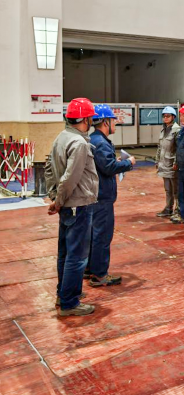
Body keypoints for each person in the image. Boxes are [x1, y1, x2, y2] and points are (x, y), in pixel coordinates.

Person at [45, 98, 99, 316]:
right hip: (78, 205)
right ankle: (69, 303)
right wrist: (58, 201)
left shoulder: (62, 137)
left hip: (68, 205)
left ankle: (63, 293)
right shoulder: (79, 143)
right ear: (85, 119)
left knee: (65, 253)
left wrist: (54, 196)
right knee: (77, 256)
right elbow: (70, 178)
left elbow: (49, 168)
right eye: (91, 118)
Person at [87, 104, 135, 287]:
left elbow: (103, 163)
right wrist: (129, 163)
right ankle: (100, 274)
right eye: (113, 120)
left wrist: (114, 161)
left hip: (94, 194)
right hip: (102, 197)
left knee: (93, 235)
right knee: (102, 236)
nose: (115, 123)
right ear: (105, 122)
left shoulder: (93, 139)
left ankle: (90, 268)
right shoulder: (101, 143)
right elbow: (108, 168)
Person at [155, 106, 181, 219]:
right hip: (164, 164)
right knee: (168, 189)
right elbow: (160, 147)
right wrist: (157, 160)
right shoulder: (163, 130)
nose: (165, 118)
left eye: (168, 116)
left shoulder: (177, 130)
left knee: (176, 189)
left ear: (173, 117)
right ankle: (168, 208)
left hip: (172, 165)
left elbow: (178, 149)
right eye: (164, 116)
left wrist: (176, 162)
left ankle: (178, 209)